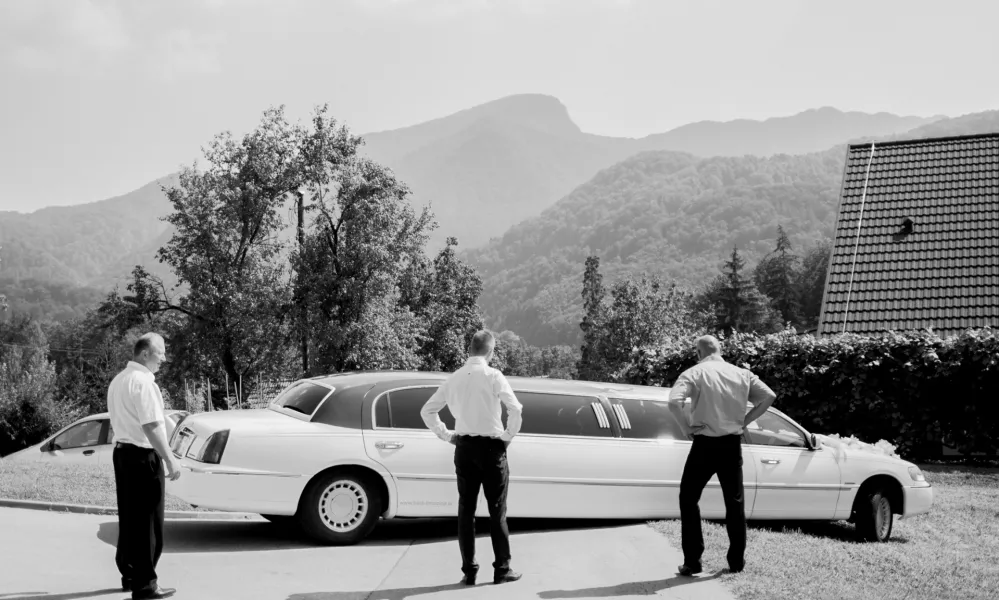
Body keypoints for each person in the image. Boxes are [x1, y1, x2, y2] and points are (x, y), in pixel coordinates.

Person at [420, 330, 525, 586]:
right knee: (497, 511)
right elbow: (516, 408)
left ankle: (469, 571)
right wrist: (508, 435)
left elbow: (427, 411)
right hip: (492, 449)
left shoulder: (453, 379)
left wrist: (447, 436)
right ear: (491, 351)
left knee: (466, 511)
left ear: (469, 349)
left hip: (464, 448)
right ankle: (502, 569)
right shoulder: (493, 376)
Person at [668, 335, 776, 576]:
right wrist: (744, 421)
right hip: (731, 444)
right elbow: (769, 396)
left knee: (688, 498)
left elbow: (674, 402)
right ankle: (736, 562)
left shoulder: (694, 373)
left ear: (699, 352)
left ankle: (693, 561)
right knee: (735, 503)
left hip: (704, 444)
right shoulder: (742, 374)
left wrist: (687, 428)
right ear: (720, 349)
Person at [107, 332, 182, 600]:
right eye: (160, 352)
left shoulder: (119, 380)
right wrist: (170, 458)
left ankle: (130, 574)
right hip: (142, 457)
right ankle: (145, 585)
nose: (164, 358)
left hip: (123, 456)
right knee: (149, 523)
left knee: (130, 519)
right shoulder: (143, 382)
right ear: (145, 353)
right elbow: (151, 426)